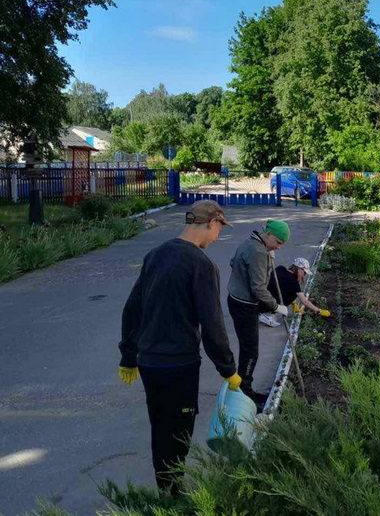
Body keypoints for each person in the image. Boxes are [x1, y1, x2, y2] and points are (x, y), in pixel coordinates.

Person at [118, 200, 240, 495]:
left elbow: (133, 308)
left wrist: (129, 356)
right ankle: (173, 492)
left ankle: (166, 486)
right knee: (180, 428)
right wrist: (228, 369)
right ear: (212, 223)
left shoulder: (156, 255)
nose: (217, 237)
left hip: (149, 363)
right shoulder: (201, 264)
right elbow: (212, 323)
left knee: (160, 424)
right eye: (219, 230)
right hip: (179, 365)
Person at [227, 219, 290, 412]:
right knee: (250, 351)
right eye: (278, 242)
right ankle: (244, 392)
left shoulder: (250, 242)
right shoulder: (259, 251)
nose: (278, 247)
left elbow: (233, 262)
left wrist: (266, 261)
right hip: (245, 305)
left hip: (236, 298)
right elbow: (259, 289)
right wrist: (276, 307)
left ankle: (244, 388)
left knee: (248, 348)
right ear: (268, 234)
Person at [266, 257, 331, 317]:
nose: (304, 275)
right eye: (304, 272)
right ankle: (270, 315)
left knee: (290, 291)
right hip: (270, 304)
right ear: (299, 269)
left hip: (264, 296)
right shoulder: (293, 282)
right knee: (294, 293)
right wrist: (318, 311)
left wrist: (294, 304)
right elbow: (304, 301)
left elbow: (282, 287)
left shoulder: (280, 268)